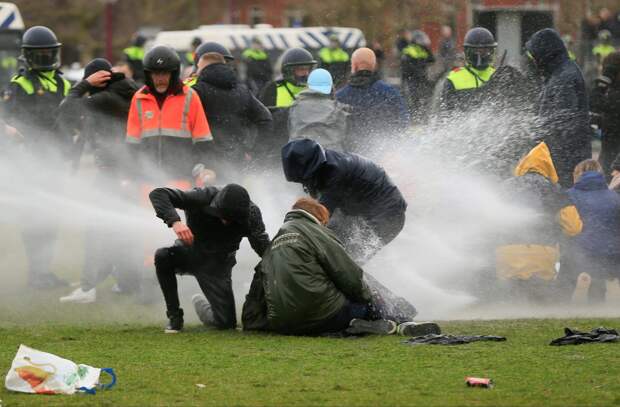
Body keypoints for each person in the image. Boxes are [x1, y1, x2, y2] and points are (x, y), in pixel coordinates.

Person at [241, 197, 439, 336]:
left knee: (338, 289)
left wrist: (253, 323)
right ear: (318, 217)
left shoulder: (273, 245)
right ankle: (403, 321)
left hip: (284, 324)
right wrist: (369, 301)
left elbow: (256, 294)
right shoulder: (318, 234)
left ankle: (358, 324)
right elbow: (350, 276)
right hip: (325, 316)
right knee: (365, 281)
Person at [57, 58, 140, 303]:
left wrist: (83, 84)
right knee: (121, 230)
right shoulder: (125, 91)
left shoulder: (106, 99)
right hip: (127, 173)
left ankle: (88, 288)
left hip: (114, 173)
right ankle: (127, 281)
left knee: (95, 228)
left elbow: (67, 107)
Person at [149, 183, 270, 333]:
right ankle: (175, 316)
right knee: (163, 256)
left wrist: (277, 262)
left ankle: (201, 306)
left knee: (226, 324)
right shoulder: (203, 196)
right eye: (223, 215)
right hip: (190, 252)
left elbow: (261, 244)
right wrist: (175, 221)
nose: (226, 222)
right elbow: (158, 194)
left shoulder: (252, 214)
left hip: (217, 266)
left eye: (232, 219)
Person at [4, 26, 71, 289]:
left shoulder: (65, 82)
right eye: (39, 53)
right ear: (28, 56)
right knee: (34, 218)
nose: (45, 57)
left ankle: (45, 270)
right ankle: (36, 273)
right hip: (31, 163)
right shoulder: (18, 85)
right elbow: (6, 120)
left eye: (48, 52)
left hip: (58, 161)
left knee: (53, 217)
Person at [281, 138, 407, 264]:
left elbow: (318, 216)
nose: (303, 183)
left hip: (389, 216)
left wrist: (294, 239)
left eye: (303, 179)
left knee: (346, 260)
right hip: (363, 211)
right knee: (333, 245)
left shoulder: (335, 174)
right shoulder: (324, 162)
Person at [495, 142, 582, 300]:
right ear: (548, 167)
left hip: (508, 253)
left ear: (522, 165)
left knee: (511, 300)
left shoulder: (505, 186)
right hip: (543, 253)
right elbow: (573, 227)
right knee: (540, 300)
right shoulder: (555, 190)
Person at [126, 45, 212, 182]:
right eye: (155, 73)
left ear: (174, 73)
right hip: (148, 178)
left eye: (165, 73)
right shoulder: (139, 98)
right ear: (148, 75)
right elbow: (132, 141)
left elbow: (203, 138)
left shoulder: (190, 96)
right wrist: (131, 173)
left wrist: (201, 168)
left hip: (182, 177)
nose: (160, 78)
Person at [526, 28, 592, 188]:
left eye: (535, 56)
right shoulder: (556, 74)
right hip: (559, 156)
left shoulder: (564, 77)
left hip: (566, 160)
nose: (533, 61)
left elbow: (562, 120)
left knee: (565, 206)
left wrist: (532, 130)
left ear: (546, 55)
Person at [192, 51, 272, 179]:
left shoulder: (196, 92)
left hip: (207, 165)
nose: (196, 72)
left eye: (198, 68)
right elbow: (265, 119)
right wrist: (256, 151)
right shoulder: (242, 91)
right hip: (238, 161)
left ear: (205, 69)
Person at [336, 47, 409, 154]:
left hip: (350, 157)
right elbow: (403, 121)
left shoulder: (339, 96)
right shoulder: (390, 93)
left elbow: (333, 129)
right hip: (382, 154)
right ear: (374, 66)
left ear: (354, 66)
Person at [567, 159, 620, 303]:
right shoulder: (614, 197)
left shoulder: (570, 195)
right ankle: (612, 288)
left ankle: (577, 299)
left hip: (582, 250)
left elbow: (566, 223)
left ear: (577, 174)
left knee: (572, 279)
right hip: (612, 252)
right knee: (606, 281)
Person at [257, 47, 317, 167]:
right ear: (289, 70)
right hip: (279, 149)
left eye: (307, 70)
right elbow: (261, 121)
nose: (306, 74)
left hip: (310, 148)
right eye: (301, 69)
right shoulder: (272, 89)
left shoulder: (315, 89)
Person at [288, 68, 348, 152]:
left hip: (301, 157)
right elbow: (346, 139)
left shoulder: (295, 107)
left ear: (308, 86)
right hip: (331, 159)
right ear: (331, 87)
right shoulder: (339, 109)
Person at [439, 27, 497, 113]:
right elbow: (446, 115)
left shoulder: (498, 75)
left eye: (484, 50)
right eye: (476, 51)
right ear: (467, 51)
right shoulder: (454, 78)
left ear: (491, 51)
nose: (480, 55)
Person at [591, 52, 620, 175]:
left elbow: (595, 101)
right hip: (611, 155)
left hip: (614, 161)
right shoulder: (614, 91)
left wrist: (602, 82)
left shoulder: (615, 92)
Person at [400, 30, 434, 121]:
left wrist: (427, 48)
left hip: (422, 79)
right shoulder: (408, 50)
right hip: (412, 80)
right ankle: (413, 119)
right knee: (414, 100)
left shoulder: (422, 49)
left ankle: (423, 118)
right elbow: (407, 68)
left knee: (425, 99)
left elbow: (432, 59)